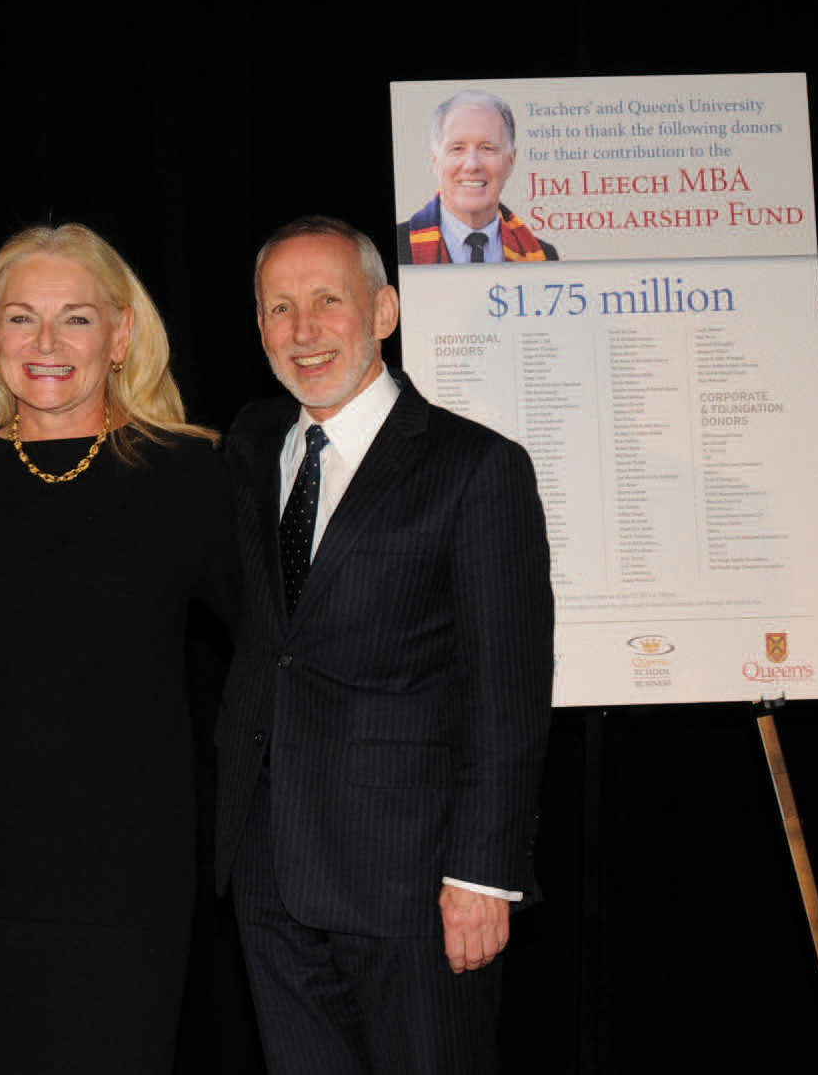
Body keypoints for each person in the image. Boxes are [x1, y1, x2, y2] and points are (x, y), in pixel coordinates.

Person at [216, 216, 553, 1073]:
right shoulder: (252, 445)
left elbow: (506, 692)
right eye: (278, 308)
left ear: (384, 310)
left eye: (327, 301)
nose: (302, 330)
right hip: (268, 874)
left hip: (416, 885)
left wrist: (482, 876)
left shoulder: (475, 470)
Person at [0, 223, 237, 1074]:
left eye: (76, 318)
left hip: (128, 874)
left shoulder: (191, 475)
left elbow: (282, 648)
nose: (47, 344)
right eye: (21, 318)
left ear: (122, 334)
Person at [397, 90, 558, 264]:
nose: (472, 165)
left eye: (487, 148)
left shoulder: (544, 257)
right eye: (457, 148)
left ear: (511, 161)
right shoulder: (398, 247)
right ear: (436, 161)